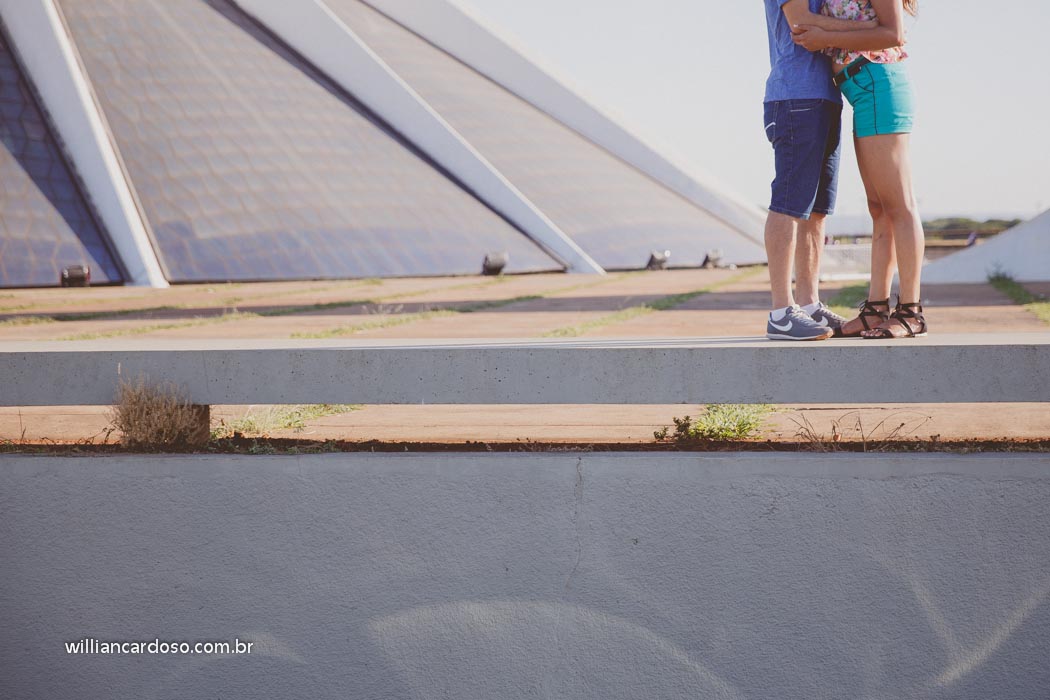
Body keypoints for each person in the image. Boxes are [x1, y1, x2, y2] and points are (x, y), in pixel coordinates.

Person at [792, 0, 928, 338]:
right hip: (863, 90)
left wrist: (824, 34)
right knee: (879, 208)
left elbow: (893, 33)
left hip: (879, 85)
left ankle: (911, 313)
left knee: (900, 205)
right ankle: (876, 308)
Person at [761, 0, 875, 340]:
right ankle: (782, 312)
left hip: (826, 98)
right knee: (789, 204)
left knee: (817, 211)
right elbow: (801, 24)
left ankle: (809, 304)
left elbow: (822, 28)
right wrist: (872, 29)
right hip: (795, 98)